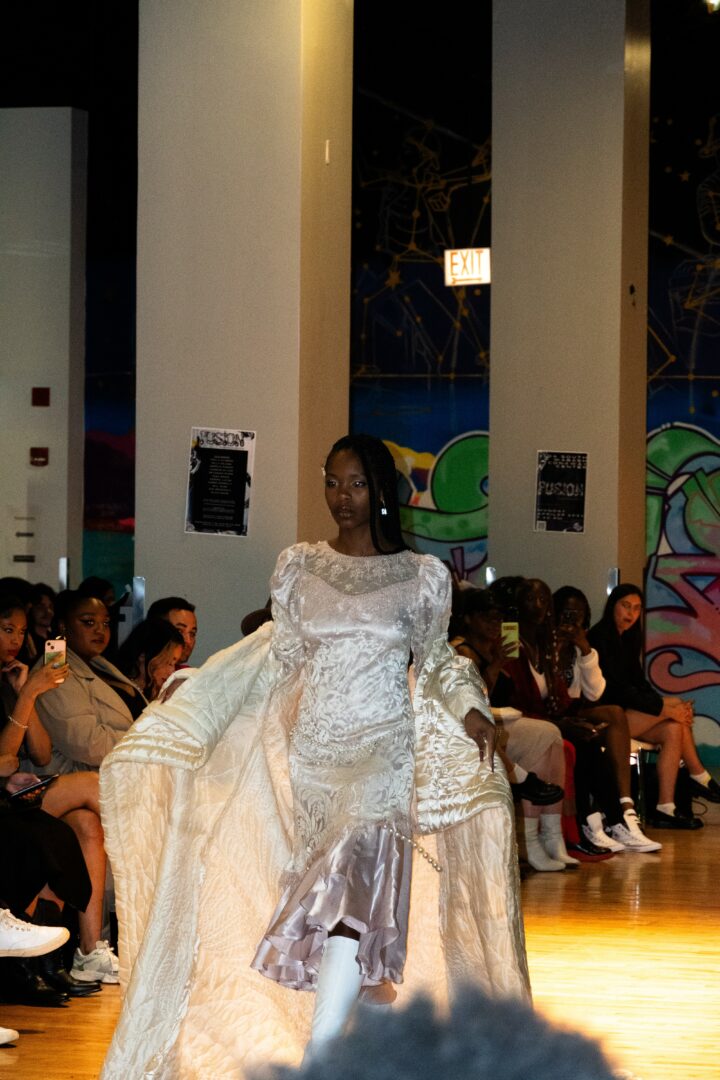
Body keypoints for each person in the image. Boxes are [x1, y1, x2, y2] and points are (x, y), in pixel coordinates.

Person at [99, 434, 529, 1078]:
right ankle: (374, 1027)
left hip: (383, 754)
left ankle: (320, 1058)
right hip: (316, 759)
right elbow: (278, 656)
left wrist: (471, 706)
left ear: (380, 490)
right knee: (339, 904)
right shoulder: (300, 567)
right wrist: (205, 689)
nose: (341, 496)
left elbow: (437, 658)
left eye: (355, 483)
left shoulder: (419, 576)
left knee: (352, 886)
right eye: (332, 481)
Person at [450, 588, 568, 872]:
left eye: (498, 618)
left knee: (550, 735)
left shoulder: (493, 647)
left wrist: (500, 660)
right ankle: (529, 838)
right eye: (487, 617)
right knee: (541, 735)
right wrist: (496, 665)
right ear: (469, 619)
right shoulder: (461, 651)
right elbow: (474, 699)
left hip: (498, 721)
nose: (494, 623)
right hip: (472, 728)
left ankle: (551, 836)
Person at [589, 583, 719, 828]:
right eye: (626, 606)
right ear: (612, 605)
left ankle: (665, 807)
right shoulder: (599, 638)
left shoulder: (629, 638)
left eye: (637, 608)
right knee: (674, 711)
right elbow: (616, 691)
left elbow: (639, 684)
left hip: (627, 712)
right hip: (607, 718)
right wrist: (665, 709)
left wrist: (667, 708)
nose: (631, 613)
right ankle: (698, 775)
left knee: (674, 728)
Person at [553, 586, 661, 854]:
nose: (571, 621)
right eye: (566, 613)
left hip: (575, 710)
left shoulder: (585, 646)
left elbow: (595, 691)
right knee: (608, 721)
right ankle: (610, 816)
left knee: (615, 720)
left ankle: (626, 811)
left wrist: (584, 649)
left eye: (578, 615)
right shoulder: (544, 644)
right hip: (553, 715)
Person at [33, 591, 145, 773]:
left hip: (126, 768)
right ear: (63, 626)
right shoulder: (54, 668)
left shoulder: (98, 663)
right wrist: (147, 742)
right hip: (81, 778)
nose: (100, 630)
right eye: (88, 622)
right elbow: (85, 742)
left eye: (105, 623)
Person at [116, 619, 184, 701]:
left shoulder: (153, 694)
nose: (171, 671)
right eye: (168, 662)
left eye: (174, 664)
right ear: (143, 655)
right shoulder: (120, 693)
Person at [146, 596, 198, 665]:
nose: (188, 641)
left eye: (192, 634)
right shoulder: (136, 670)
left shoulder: (187, 671)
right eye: (179, 631)